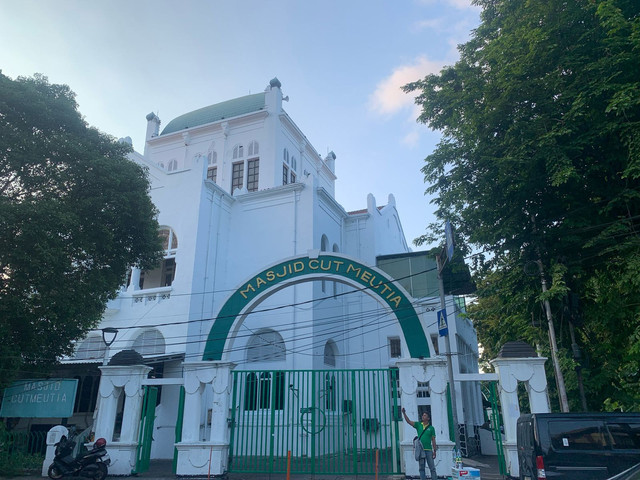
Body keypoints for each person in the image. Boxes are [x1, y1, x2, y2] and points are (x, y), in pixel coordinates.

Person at [402, 407, 437, 480]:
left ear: (428, 418)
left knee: (432, 468)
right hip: (421, 450)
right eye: (423, 415)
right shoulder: (418, 425)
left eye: (425, 415)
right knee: (421, 468)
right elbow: (408, 421)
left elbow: (433, 440)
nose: (423, 416)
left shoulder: (431, 428)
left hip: (429, 450)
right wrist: (404, 413)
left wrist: (434, 451)